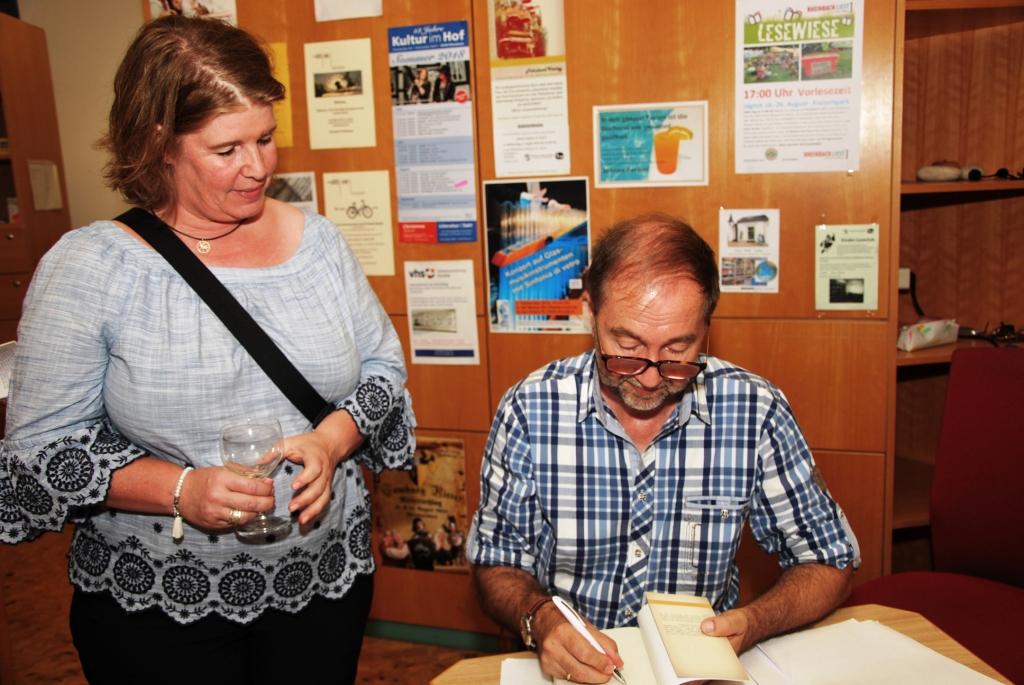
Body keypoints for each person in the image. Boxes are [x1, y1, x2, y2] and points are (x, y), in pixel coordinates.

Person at [0, 15, 415, 685]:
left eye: (266, 138)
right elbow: (41, 449)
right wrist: (181, 488)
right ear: (158, 143)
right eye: (227, 150)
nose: (259, 167)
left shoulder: (317, 243)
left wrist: (331, 440)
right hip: (162, 607)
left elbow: (382, 369)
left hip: (323, 583)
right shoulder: (90, 267)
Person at [467, 214, 859, 684]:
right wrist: (540, 618)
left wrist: (755, 623)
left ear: (707, 328)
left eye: (677, 350)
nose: (651, 377)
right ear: (590, 310)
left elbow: (829, 558)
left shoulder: (755, 410)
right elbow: (496, 560)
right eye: (626, 345)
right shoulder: (530, 408)